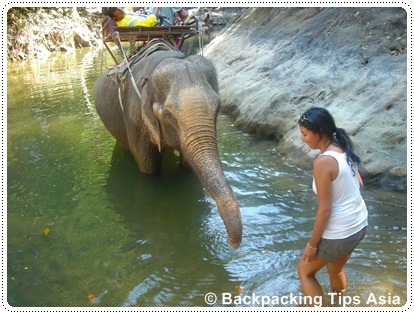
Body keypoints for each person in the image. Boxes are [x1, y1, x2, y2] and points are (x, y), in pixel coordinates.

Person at [296, 107, 368, 307]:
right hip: (360, 224)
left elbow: (325, 210)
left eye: (305, 134)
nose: (302, 139)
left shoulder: (323, 162)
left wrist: (312, 244)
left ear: (320, 132)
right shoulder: (342, 147)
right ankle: (341, 305)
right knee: (334, 269)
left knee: (305, 272)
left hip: (341, 232)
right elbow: (359, 185)